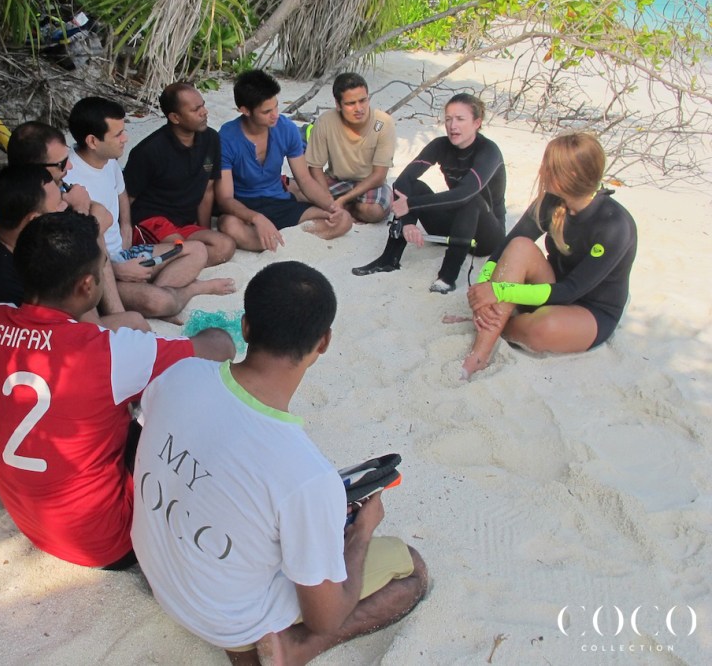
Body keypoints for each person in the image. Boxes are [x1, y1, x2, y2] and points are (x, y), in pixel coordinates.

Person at [131, 261, 428, 664]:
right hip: (227, 620)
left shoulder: (180, 374)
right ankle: (292, 649)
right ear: (323, 342)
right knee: (411, 572)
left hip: (161, 576)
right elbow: (326, 617)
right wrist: (361, 533)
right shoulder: (304, 475)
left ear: (246, 327)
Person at [0, 211, 236, 569]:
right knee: (183, 399)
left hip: (33, 525)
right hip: (110, 543)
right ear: (86, 286)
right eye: (103, 267)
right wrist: (214, 334)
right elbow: (219, 349)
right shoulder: (106, 351)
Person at [0, 165, 145, 390]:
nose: (65, 206)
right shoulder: (8, 281)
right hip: (3, 384)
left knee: (134, 322)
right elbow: (81, 333)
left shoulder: (10, 246)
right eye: (59, 204)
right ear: (32, 220)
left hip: (8, 361)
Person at [461, 132, 637, 380]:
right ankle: (479, 354)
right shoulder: (551, 203)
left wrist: (498, 293)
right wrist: (485, 281)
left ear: (571, 175)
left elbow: (571, 290)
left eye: (549, 166)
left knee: (543, 329)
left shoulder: (614, 225)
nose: (542, 171)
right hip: (550, 289)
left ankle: (495, 324)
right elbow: (508, 243)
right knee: (521, 246)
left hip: (591, 309)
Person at [64, 96, 235, 320]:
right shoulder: (70, 178)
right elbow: (75, 251)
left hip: (123, 255)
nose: (125, 138)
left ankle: (162, 294)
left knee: (198, 250)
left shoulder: (109, 161)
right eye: (117, 135)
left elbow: (122, 192)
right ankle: (191, 289)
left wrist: (126, 226)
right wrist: (117, 269)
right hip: (98, 271)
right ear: (93, 141)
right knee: (158, 301)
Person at [353, 94, 507, 294]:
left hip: (487, 236)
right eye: (448, 119)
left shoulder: (489, 151)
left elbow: (464, 194)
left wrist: (412, 205)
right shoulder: (440, 145)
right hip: (455, 227)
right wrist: (408, 221)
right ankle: (389, 258)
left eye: (460, 119)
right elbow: (402, 182)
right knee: (414, 186)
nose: (453, 126)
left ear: (477, 122)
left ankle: (447, 277)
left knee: (471, 200)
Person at [215, 70, 353, 252]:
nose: (275, 115)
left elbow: (304, 180)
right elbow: (225, 198)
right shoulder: (227, 137)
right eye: (266, 111)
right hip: (245, 206)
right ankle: (284, 241)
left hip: (279, 201)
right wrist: (256, 218)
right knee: (228, 225)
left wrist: (331, 206)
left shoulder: (286, 128)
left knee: (343, 220)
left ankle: (278, 242)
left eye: (276, 107)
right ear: (245, 110)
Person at [0, 121, 92, 273]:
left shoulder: (20, 185)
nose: (70, 166)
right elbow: (72, 260)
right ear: (33, 169)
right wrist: (81, 209)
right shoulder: (12, 207)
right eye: (62, 163)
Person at [124, 82, 236, 266]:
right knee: (182, 248)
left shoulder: (211, 139)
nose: (204, 112)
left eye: (203, 105)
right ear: (175, 117)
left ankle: (174, 266)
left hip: (183, 222)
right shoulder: (149, 151)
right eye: (196, 109)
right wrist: (125, 234)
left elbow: (207, 191)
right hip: (152, 219)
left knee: (225, 245)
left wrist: (203, 229)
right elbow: (127, 198)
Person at [304, 72, 397, 224]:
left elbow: (379, 175)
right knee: (298, 192)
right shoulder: (325, 122)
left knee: (374, 212)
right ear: (338, 104)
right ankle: (342, 206)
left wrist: (343, 200)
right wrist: (327, 201)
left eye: (363, 100)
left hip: (369, 183)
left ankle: (349, 207)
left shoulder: (383, 123)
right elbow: (315, 167)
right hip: (336, 180)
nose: (359, 108)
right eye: (350, 103)